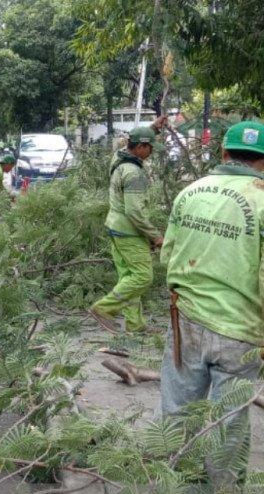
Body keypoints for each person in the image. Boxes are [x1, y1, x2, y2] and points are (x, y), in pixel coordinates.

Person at [159, 121, 264, 488]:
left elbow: (166, 257)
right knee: (228, 423)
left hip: (185, 321)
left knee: (178, 412)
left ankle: (176, 483)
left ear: (223, 153)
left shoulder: (190, 192)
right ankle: (224, 488)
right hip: (241, 331)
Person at [89, 116, 167, 333]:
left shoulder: (119, 157)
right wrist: (155, 236)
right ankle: (103, 308)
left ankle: (135, 324)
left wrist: (153, 129)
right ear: (141, 147)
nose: (151, 152)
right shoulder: (134, 173)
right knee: (143, 277)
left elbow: (129, 141)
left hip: (115, 226)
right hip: (129, 231)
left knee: (129, 277)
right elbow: (135, 212)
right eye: (150, 147)